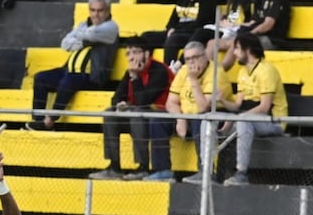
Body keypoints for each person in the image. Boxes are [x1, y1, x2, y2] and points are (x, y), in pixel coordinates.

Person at [25, 0, 118, 131]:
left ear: (108, 11)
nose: (96, 14)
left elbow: (90, 35)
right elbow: (65, 44)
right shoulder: (84, 25)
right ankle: (38, 120)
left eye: (100, 10)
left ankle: (49, 121)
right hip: (69, 71)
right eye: (93, 10)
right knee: (41, 78)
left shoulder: (111, 27)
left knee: (70, 80)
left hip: (92, 77)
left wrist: (77, 36)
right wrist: (83, 38)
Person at [147, 41, 234, 184]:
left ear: (205, 56)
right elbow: (171, 102)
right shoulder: (183, 71)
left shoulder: (216, 73)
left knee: (200, 119)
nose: (191, 63)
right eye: (187, 59)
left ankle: (205, 171)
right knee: (158, 120)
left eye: (195, 57)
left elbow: (203, 107)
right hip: (186, 117)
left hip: (213, 119)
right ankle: (163, 171)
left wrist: (193, 80)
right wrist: (180, 118)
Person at [89, 37, 173, 181]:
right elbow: (116, 98)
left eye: (135, 52)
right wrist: (120, 104)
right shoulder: (129, 73)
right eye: (128, 53)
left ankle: (143, 167)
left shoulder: (159, 70)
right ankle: (114, 167)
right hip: (140, 116)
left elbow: (144, 101)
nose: (131, 57)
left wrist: (135, 78)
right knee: (110, 113)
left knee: (136, 114)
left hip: (160, 117)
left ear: (147, 54)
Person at [217, 32, 287, 186]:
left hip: (272, 122)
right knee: (208, 121)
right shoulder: (242, 72)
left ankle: (241, 173)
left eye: (236, 48)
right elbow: (237, 105)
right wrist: (222, 100)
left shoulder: (266, 70)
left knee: (242, 122)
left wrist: (236, 118)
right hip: (248, 118)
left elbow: (264, 107)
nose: (234, 53)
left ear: (247, 49)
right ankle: (207, 172)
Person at [141, 0, 217, 68]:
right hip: (177, 32)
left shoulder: (208, 2)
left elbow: (200, 25)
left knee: (173, 39)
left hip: (191, 35)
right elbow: (172, 21)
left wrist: (176, 30)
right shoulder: (182, 0)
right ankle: (145, 69)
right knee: (146, 37)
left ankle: (168, 73)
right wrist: (171, 28)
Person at [220, 0, 290, 71]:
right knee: (213, 43)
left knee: (237, 42)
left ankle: (218, 74)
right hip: (256, 35)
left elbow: (268, 25)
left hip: (271, 39)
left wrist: (249, 35)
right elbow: (253, 22)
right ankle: (206, 75)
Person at [188, 0, 259, 59]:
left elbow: (253, 23)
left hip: (237, 30)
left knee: (201, 34)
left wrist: (234, 25)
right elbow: (231, 14)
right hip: (225, 27)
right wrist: (223, 18)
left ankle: (186, 60)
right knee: (200, 33)